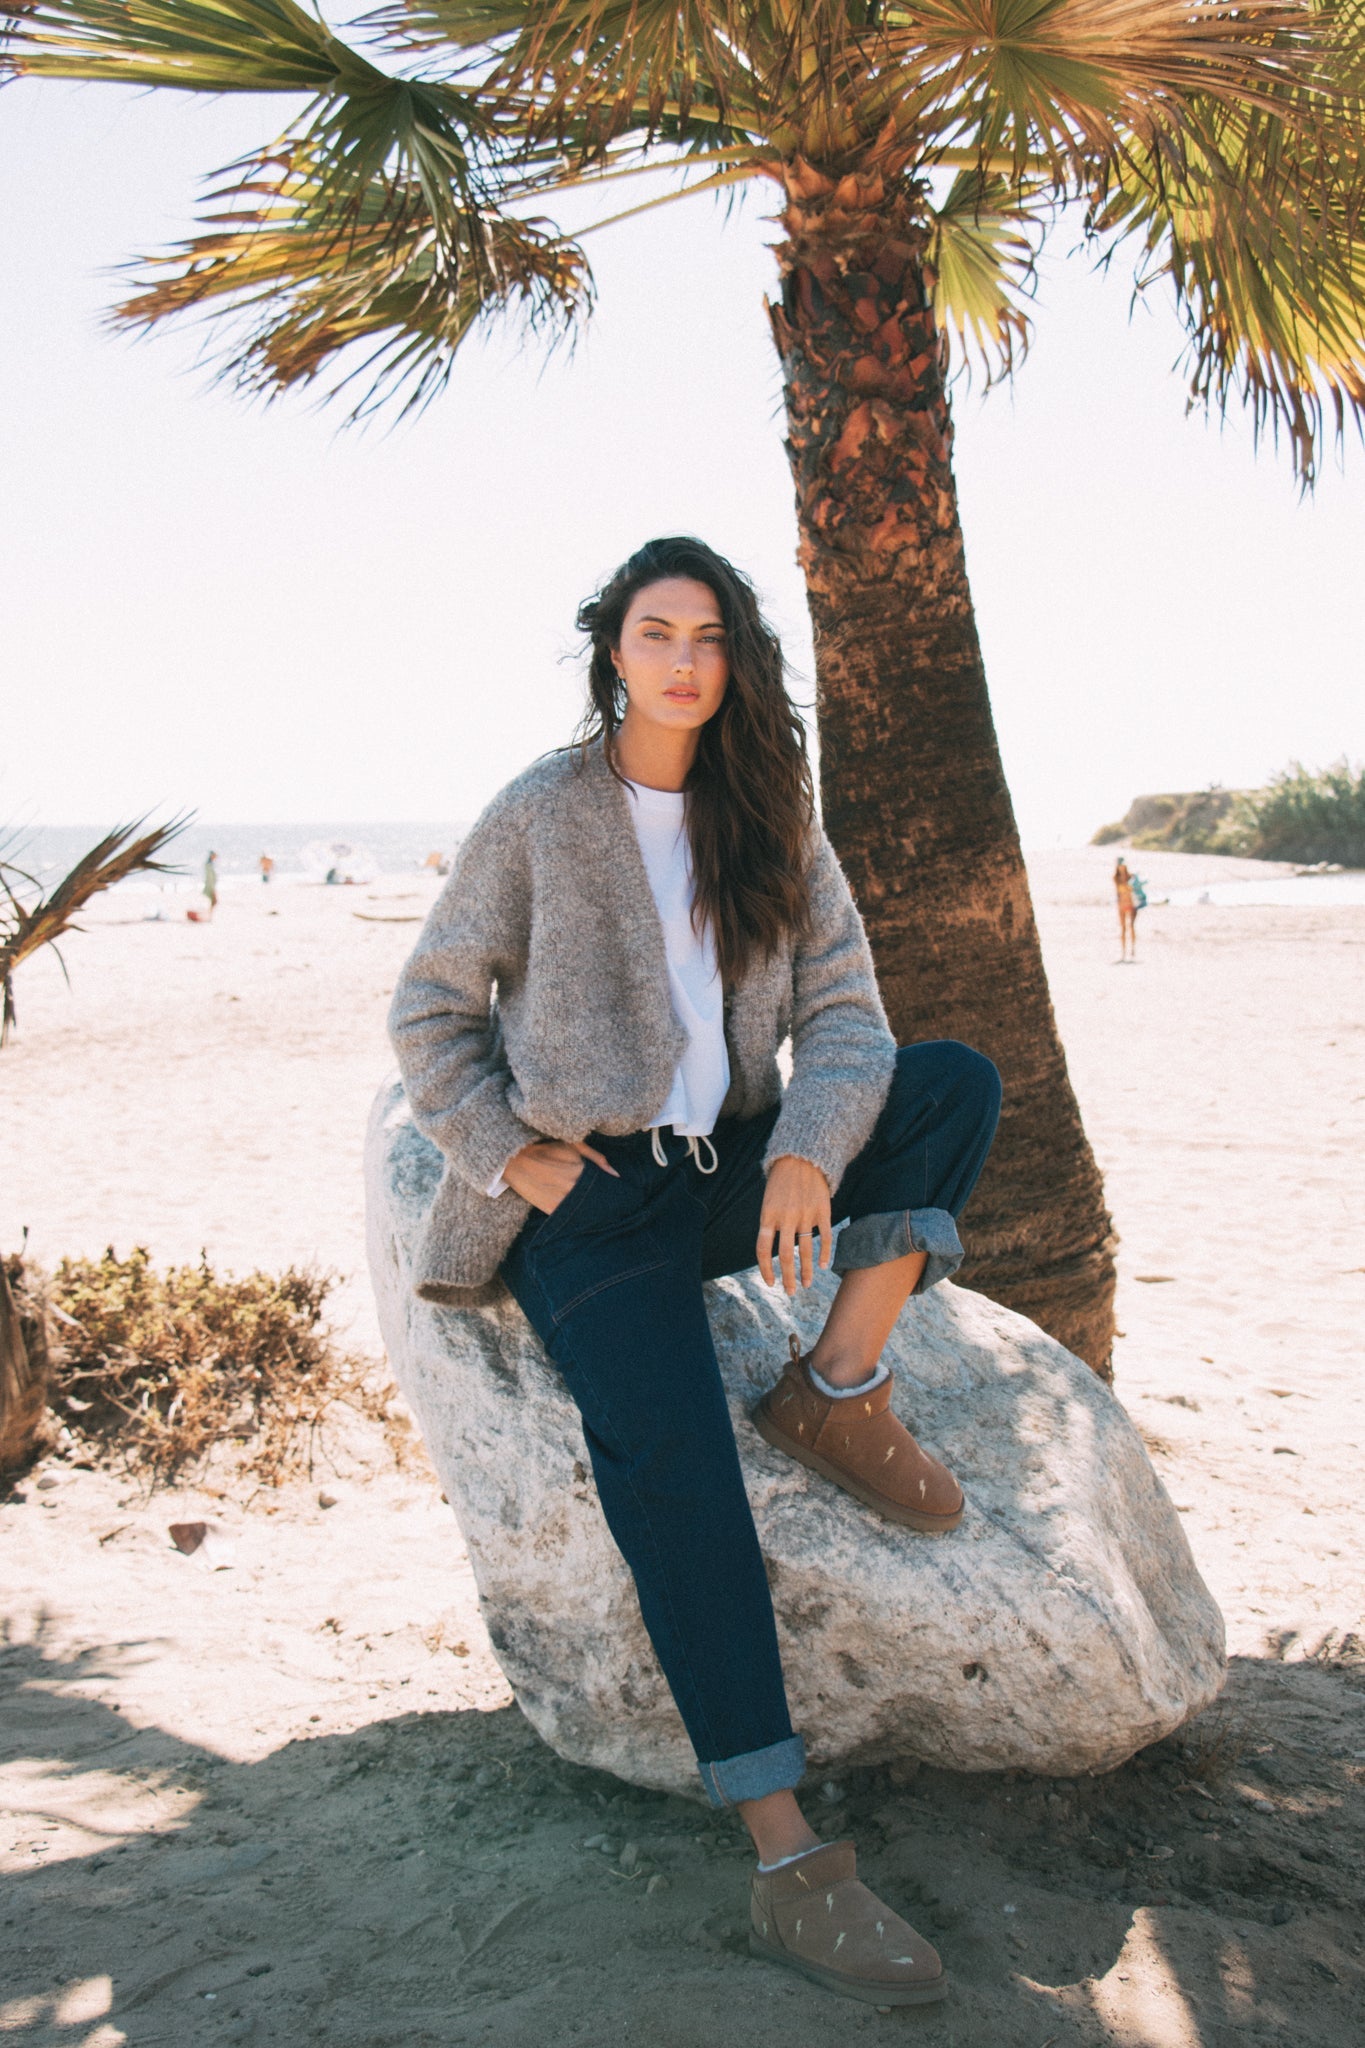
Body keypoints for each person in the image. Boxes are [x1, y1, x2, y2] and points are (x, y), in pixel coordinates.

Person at [389, 537, 1001, 2009]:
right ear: (613, 650)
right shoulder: (541, 811)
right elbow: (430, 1012)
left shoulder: (768, 814)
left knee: (953, 1085)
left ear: (736, 661)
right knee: (676, 1470)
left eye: (708, 635)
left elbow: (848, 1016)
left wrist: (804, 1155)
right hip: (592, 1207)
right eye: (655, 632)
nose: (681, 660)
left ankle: (835, 1388)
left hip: (731, 1165)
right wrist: (509, 1154)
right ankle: (790, 1856)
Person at [1113, 856, 1137, 960]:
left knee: (1131, 926)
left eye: (1122, 865)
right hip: (1122, 905)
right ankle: (1123, 952)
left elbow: (1135, 890)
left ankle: (1133, 949)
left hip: (1131, 904)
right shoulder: (1116, 878)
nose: (1121, 867)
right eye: (1120, 866)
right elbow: (1117, 893)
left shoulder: (1131, 877)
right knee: (1123, 928)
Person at [202, 850, 219, 919]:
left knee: (213, 901)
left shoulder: (210, 864)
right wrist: (212, 887)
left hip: (211, 885)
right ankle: (208, 914)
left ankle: (209, 914)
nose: (215, 857)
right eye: (214, 856)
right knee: (214, 901)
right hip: (210, 885)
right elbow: (209, 877)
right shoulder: (208, 865)